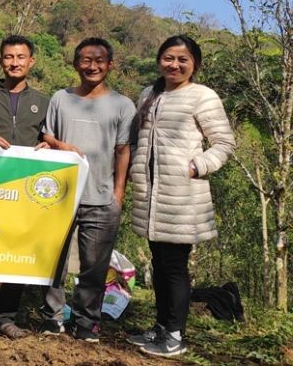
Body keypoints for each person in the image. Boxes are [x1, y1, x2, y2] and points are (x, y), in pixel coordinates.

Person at [127, 35, 235, 357]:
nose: (174, 65)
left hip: (182, 198)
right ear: (159, 60)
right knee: (159, 266)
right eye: (168, 58)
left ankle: (174, 335)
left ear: (194, 65)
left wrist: (195, 167)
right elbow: (139, 140)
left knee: (174, 268)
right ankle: (161, 327)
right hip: (150, 198)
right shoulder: (149, 93)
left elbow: (224, 144)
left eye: (182, 60)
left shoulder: (202, 96)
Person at [36, 38, 136, 343]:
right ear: (75, 63)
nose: (92, 66)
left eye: (99, 60)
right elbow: (47, 135)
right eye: (85, 60)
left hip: (101, 196)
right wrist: (58, 144)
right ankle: (52, 316)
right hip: (60, 195)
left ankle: (86, 321)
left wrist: (119, 193)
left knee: (94, 265)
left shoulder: (122, 104)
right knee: (53, 259)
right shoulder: (60, 98)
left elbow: (123, 150)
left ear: (110, 65)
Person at [0, 34, 49, 339]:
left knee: (17, 249)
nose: (14, 62)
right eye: (8, 57)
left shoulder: (45, 101)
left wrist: (50, 145)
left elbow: (51, 136)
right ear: (1, 61)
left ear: (31, 62)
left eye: (21, 57)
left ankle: (5, 316)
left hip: (26, 191)